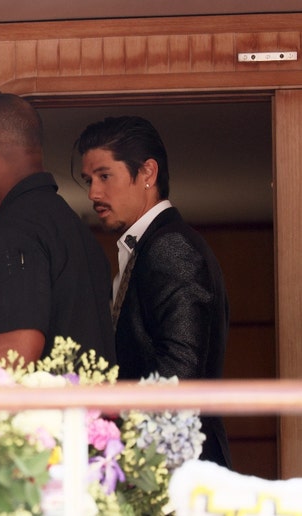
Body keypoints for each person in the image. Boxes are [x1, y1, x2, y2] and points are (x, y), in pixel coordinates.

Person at [76, 115, 232, 468]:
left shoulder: (171, 247)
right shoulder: (148, 247)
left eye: (104, 176)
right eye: (89, 180)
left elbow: (180, 374)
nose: (93, 194)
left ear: (147, 173)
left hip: (178, 468)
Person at [0, 93, 116, 367]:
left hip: (40, 411)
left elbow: (15, 349)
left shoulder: (14, 231)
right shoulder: (74, 228)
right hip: (84, 409)